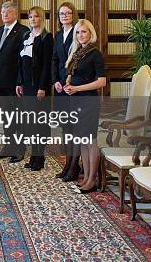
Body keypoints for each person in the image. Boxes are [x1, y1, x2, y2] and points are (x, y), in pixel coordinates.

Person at [63, 19, 106, 194]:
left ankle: (92, 180)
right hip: (76, 100)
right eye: (78, 32)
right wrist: (68, 82)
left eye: (84, 32)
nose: (81, 35)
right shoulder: (77, 52)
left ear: (91, 33)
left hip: (88, 101)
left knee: (90, 141)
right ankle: (87, 178)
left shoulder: (95, 53)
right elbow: (72, 74)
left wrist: (77, 88)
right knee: (82, 141)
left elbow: (101, 82)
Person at [0, 1, 30, 161]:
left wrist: (20, 82)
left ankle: (19, 149)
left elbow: (23, 59)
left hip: (15, 83)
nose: (5, 14)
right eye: (2, 12)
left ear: (15, 14)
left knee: (17, 117)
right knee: (6, 117)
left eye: (8, 12)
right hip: (0, 82)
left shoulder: (23, 31)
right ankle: (8, 146)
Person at [16, 6, 53, 171]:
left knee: (40, 123)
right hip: (27, 86)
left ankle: (40, 157)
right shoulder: (25, 36)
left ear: (41, 18)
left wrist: (43, 87)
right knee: (30, 123)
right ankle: (33, 155)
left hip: (39, 86)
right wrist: (19, 82)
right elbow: (21, 62)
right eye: (30, 16)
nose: (33, 19)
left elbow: (47, 65)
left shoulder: (46, 37)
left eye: (36, 16)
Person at [51, 2, 80, 181]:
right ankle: (68, 163)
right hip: (60, 87)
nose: (64, 16)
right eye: (62, 13)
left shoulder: (78, 33)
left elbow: (77, 60)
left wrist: (68, 80)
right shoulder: (58, 34)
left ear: (73, 15)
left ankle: (74, 165)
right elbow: (54, 59)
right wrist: (55, 81)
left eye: (68, 13)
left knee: (74, 128)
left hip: (73, 85)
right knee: (66, 127)